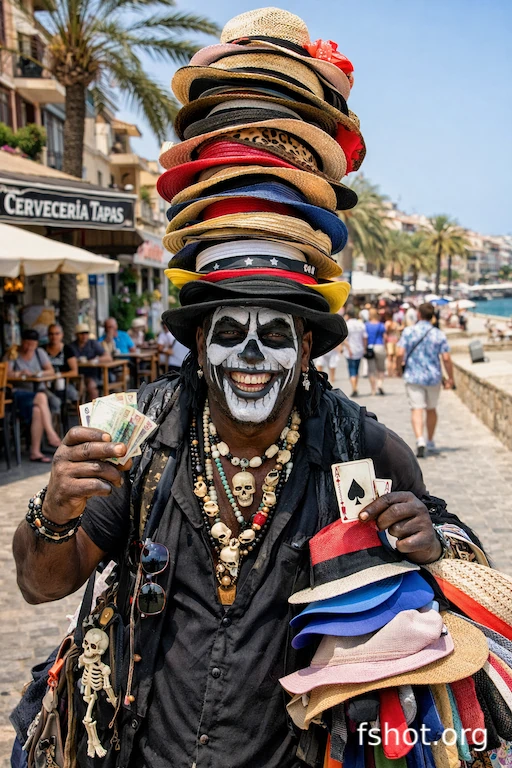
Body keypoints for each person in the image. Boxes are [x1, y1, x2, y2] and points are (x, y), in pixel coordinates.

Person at [11, 9, 483, 768]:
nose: (253, 356)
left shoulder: (359, 445)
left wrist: (432, 546)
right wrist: (53, 509)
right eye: (231, 332)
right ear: (199, 343)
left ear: (307, 347)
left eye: (277, 333)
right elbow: (42, 583)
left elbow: (464, 567)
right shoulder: (139, 439)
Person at [396, 302, 454, 458]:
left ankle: (420, 440)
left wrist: (397, 368)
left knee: (417, 409)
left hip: (413, 376)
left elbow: (400, 353)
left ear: (419, 315)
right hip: (433, 377)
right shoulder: (438, 334)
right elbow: (446, 358)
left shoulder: (408, 332)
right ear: (432, 316)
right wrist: (450, 378)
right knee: (431, 409)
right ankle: (430, 441)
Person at [5, 329, 61, 462]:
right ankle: (51, 434)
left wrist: (38, 374)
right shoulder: (13, 353)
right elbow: (5, 374)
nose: (29, 347)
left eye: (32, 345)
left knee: (38, 409)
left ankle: (35, 452)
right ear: (22, 342)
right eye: (26, 344)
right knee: (42, 397)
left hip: (36, 391)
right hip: (19, 393)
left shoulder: (39, 353)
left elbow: (50, 370)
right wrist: (19, 374)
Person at [69, 323, 111, 400]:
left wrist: (96, 360)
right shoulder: (72, 346)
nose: (84, 336)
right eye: (82, 333)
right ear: (77, 335)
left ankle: (94, 409)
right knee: (78, 388)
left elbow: (108, 357)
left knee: (91, 387)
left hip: (92, 374)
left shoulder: (93, 343)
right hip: (77, 375)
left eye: (86, 333)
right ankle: (78, 409)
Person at [45, 323, 79, 404]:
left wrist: (59, 375)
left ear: (62, 335)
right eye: (51, 334)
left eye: (57, 334)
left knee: (72, 394)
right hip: (46, 383)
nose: (54, 337)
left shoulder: (67, 349)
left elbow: (74, 371)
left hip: (63, 383)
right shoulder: (42, 350)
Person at [342, 306, 367, 396]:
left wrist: (349, 349)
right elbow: (364, 338)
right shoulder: (361, 324)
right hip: (359, 349)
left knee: (351, 369)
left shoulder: (347, 324)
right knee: (356, 369)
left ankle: (354, 388)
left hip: (350, 351)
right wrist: (364, 348)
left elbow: (345, 339)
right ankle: (355, 386)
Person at [365, 307, 387, 395]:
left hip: (370, 347)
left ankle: (373, 390)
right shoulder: (381, 325)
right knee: (381, 369)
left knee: (371, 370)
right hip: (380, 346)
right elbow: (384, 337)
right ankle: (380, 384)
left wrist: (365, 348)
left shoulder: (366, 325)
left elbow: (365, 338)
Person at [384, 310, 401, 377]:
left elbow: (385, 333)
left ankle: (389, 373)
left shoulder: (387, 323)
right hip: (396, 341)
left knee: (389, 358)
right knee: (395, 358)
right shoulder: (395, 323)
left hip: (389, 341)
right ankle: (394, 372)